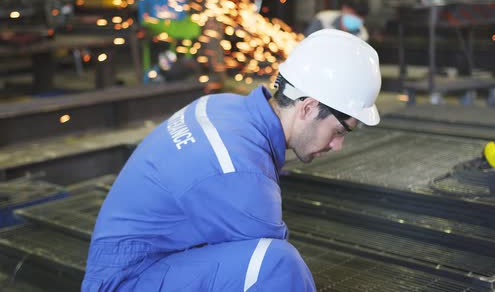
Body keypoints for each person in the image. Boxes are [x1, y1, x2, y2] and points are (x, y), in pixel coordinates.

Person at [82, 29, 382, 292]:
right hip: (127, 282)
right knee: (276, 265)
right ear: (308, 107)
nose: (338, 145)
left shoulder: (224, 105)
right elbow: (271, 270)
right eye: (340, 130)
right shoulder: (239, 172)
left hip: (140, 264)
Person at [304, 5, 369, 41]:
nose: (355, 18)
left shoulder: (363, 35)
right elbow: (307, 40)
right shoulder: (323, 19)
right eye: (353, 14)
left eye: (359, 17)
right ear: (345, 8)